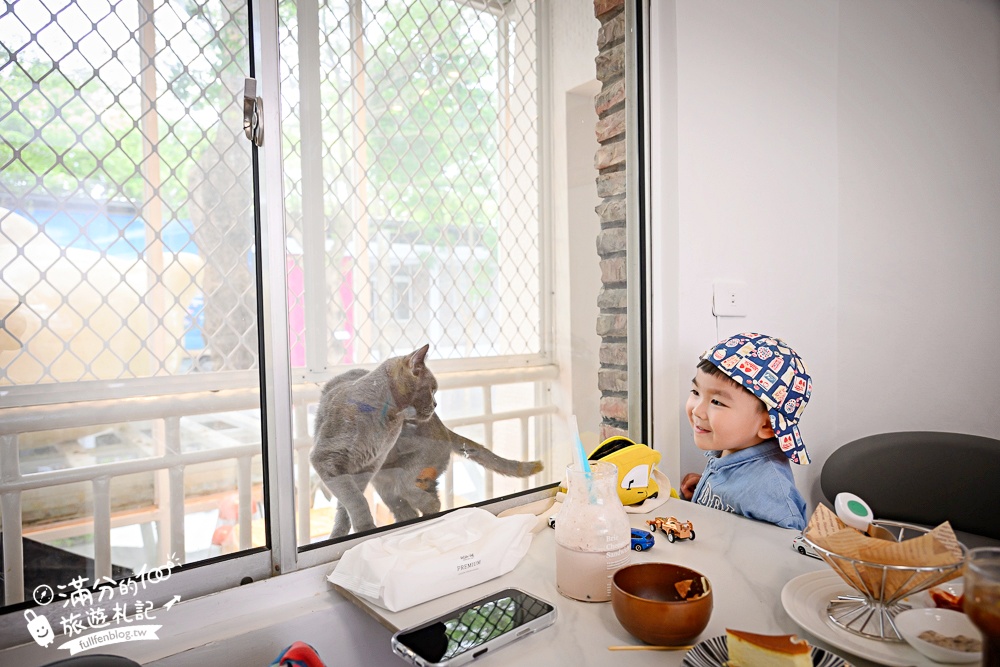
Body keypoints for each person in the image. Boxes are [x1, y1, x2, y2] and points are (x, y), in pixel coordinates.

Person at [678, 333, 811, 530]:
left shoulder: (770, 492)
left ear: (767, 426)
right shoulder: (731, 448)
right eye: (696, 392)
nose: (697, 410)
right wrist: (706, 490)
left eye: (717, 402)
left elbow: (785, 547)